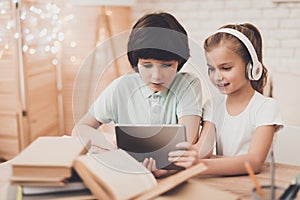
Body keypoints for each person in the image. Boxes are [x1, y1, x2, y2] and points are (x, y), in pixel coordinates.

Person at [72, 12, 204, 173]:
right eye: (147, 65)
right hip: (127, 172)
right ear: (136, 62)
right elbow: (81, 128)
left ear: (179, 62)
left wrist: (163, 170)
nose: (156, 76)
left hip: (172, 176)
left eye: (166, 65)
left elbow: (186, 146)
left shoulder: (187, 84)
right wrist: (114, 148)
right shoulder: (121, 87)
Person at [169, 23, 283, 175]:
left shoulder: (266, 107)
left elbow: (254, 161)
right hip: (225, 180)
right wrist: (178, 159)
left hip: (256, 185)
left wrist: (201, 165)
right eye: (211, 69)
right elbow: (203, 150)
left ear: (250, 67)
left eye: (226, 68)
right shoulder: (213, 106)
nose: (217, 77)